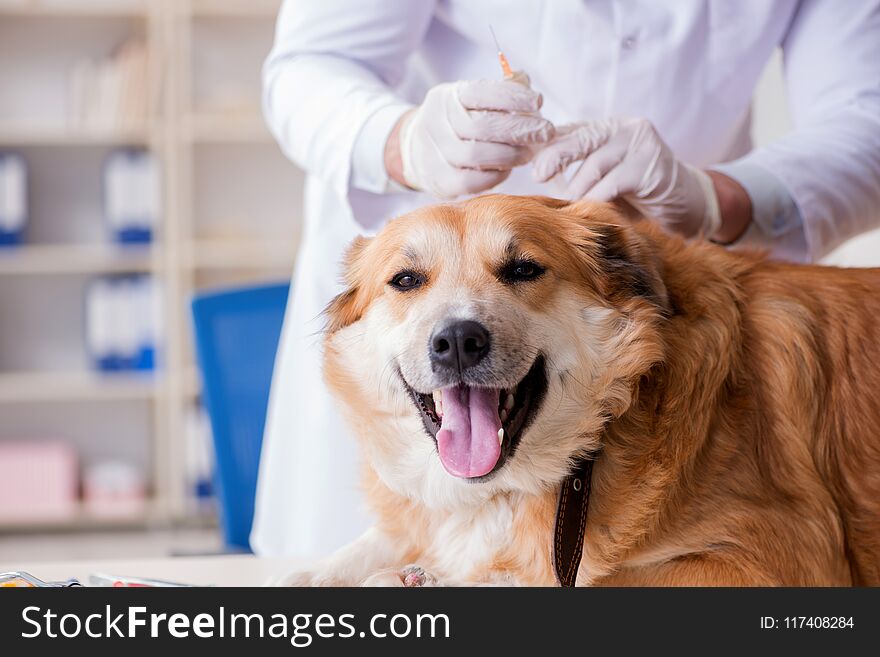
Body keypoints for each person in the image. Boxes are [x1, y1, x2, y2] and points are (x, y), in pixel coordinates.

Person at [252, 0, 880, 557]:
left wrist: (717, 199)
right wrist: (404, 142)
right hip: (408, 219)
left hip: (652, 290)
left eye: (518, 270)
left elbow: (866, 114)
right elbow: (309, 66)